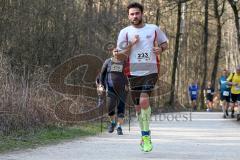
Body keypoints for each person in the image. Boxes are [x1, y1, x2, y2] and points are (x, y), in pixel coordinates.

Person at [113, 2, 168, 152]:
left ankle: (146, 136)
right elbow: (119, 55)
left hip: (151, 70)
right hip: (132, 72)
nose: (135, 16)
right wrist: (131, 44)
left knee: (144, 101)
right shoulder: (124, 32)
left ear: (142, 14)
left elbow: (165, 43)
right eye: (132, 14)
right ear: (128, 16)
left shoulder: (154, 29)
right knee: (138, 107)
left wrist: (160, 49)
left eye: (137, 13)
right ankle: (145, 133)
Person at [98, 56, 128, 135]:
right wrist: (101, 85)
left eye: (118, 51)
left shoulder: (124, 62)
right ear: (113, 52)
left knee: (121, 108)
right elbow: (102, 74)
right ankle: (113, 123)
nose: (117, 53)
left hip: (122, 89)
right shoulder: (108, 61)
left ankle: (119, 127)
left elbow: (128, 74)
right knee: (110, 108)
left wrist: (128, 84)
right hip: (110, 89)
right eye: (115, 51)